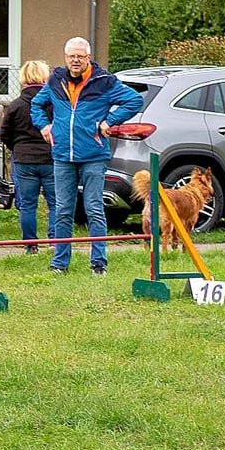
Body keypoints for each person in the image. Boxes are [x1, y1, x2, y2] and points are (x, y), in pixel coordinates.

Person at [31, 37, 143, 277]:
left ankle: (99, 263)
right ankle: (59, 264)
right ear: (65, 58)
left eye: (80, 56)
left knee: (93, 208)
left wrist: (110, 121)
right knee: (62, 210)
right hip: (62, 155)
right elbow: (36, 105)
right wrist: (43, 126)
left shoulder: (105, 81)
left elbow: (134, 100)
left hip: (94, 155)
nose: (75, 61)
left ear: (88, 58)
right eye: (71, 56)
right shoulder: (55, 79)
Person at [0, 60, 57, 254]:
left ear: (23, 78)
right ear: (45, 77)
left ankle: (31, 246)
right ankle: (55, 242)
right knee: (55, 203)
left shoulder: (15, 105)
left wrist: (16, 148)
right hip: (50, 158)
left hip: (24, 160)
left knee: (27, 205)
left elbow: (4, 134)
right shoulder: (53, 104)